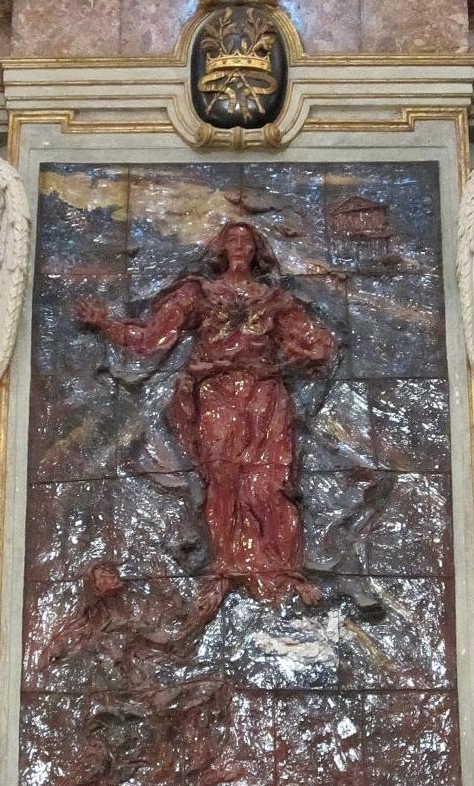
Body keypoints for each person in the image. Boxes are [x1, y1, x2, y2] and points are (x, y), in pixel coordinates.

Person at [77, 221, 337, 604]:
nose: (239, 247)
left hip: (266, 396)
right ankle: (225, 568)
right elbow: (152, 338)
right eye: (232, 241)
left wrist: (307, 352)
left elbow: (317, 344)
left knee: (270, 484)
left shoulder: (275, 300)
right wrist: (106, 323)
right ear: (221, 248)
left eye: (246, 242)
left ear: (257, 251)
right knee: (223, 481)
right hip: (216, 394)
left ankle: (286, 572)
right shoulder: (199, 293)